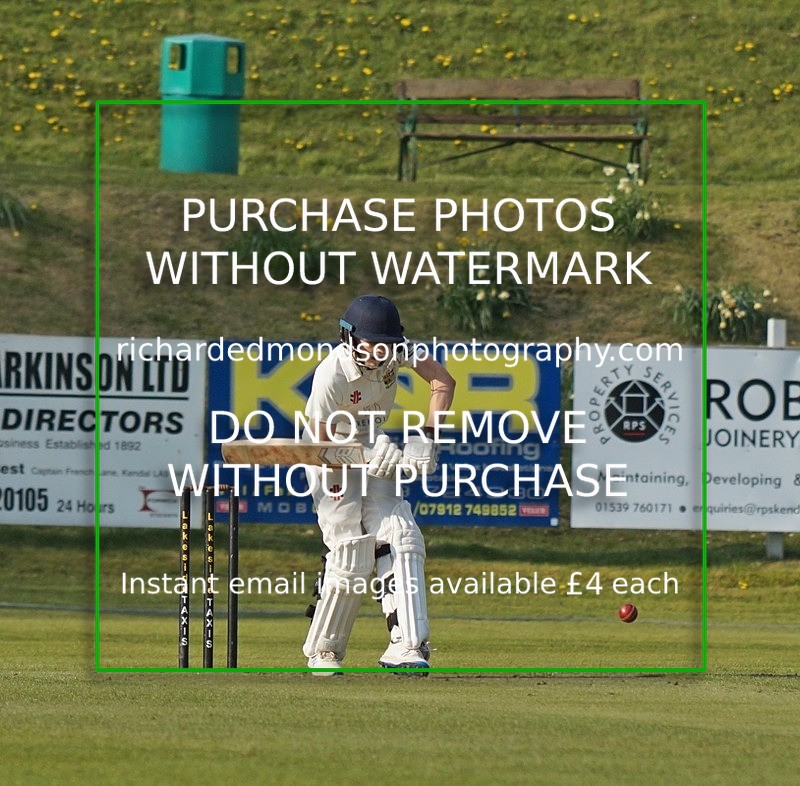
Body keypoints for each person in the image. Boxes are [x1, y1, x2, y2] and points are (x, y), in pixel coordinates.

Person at [302, 294, 455, 675]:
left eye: (386, 345)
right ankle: (324, 650)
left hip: (374, 441)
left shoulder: (398, 351)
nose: (379, 354)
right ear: (349, 337)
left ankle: (407, 644)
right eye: (371, 344)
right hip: (330, 456)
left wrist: (428, 436)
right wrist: (367, 456)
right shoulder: (331, 374)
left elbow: (442, 381)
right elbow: (320, 445)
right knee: (351, 552)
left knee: (401, 535)